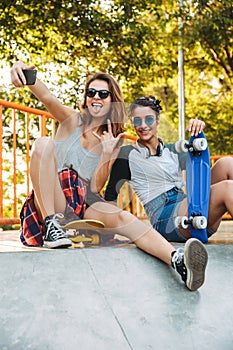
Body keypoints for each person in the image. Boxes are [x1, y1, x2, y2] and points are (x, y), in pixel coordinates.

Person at [11, 62, 208, 292]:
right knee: (43, 143)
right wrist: (24, 72)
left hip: (83, 201)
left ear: (111, 100)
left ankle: (178, 262)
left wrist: (106, 153)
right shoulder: (71, 120)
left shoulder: (113, 138)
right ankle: (51, 226)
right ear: (85, 99)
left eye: (103, 94)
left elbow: (95, 186)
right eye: (91, 92)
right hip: (54, 198)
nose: (96, 97)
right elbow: (47, 96)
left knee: (123, 218)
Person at [104, 95, 233, 243]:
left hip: (187, 207)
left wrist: (197, 131)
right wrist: (108, 234)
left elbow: (201, 171)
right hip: (165, 219)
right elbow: (110, 196)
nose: (143, 125)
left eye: (149, 119)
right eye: (137, 121)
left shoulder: (173, 151)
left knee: (227, 163)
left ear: (157, 120)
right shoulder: (126, 155)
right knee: (227, 189)